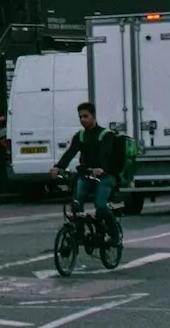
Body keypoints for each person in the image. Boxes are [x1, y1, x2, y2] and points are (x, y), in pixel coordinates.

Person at [49, 102, 126, 241]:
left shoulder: (105, 135)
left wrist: (101, 168)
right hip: (86, 174)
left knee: (101, 206)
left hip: (106, 175)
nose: (82, 120)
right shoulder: (80, 136)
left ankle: (115, 235)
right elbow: (70, 153)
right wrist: (58, 167)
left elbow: (105, 153)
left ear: (94, 116)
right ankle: (78, 234)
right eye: (80, 117)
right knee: (76, 204)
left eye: (85, 116)